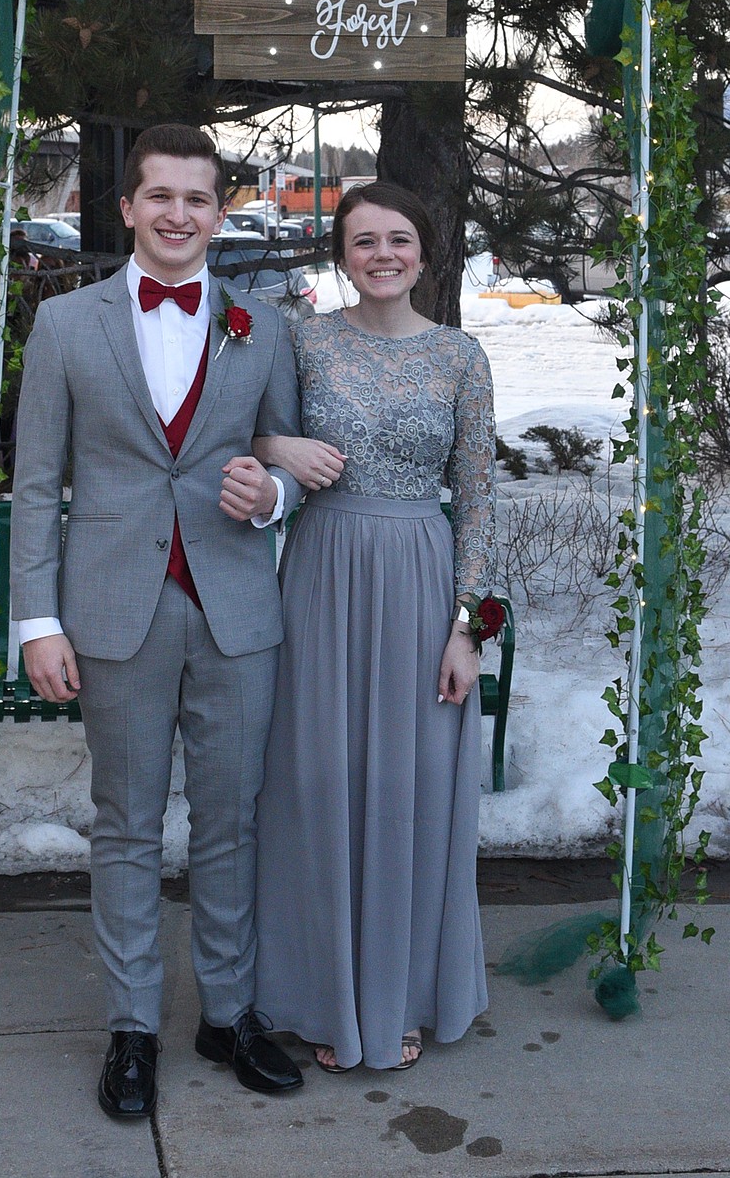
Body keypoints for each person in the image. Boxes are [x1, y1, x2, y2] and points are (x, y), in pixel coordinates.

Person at [11, 123, 306, 1120]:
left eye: (198, 197)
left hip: (233, 609)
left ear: (221, 215)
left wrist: (266, 495)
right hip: (112, 610)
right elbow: (35, 483)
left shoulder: (263, 325)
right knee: (128, 827)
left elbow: (286, 462)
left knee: (231, 824)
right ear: (129, 207)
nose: (180, 213)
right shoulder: (66, 326)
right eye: (161, 196)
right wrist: (37, 620)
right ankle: (133, 1026)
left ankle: (227, 1013)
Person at [252, 181, 497, 1073]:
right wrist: (280, 450)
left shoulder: (462, 357)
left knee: (409, 786)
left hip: (423, 584)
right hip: (322, 574)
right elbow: (244, 432)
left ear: (425, 252)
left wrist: (469, 626)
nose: (382, 253)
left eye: (399, 238)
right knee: (320, 779)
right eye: (363, 241)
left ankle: (399, 995)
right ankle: (323, 994)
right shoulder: (304, 343)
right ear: (341, 255)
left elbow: (478, 500)